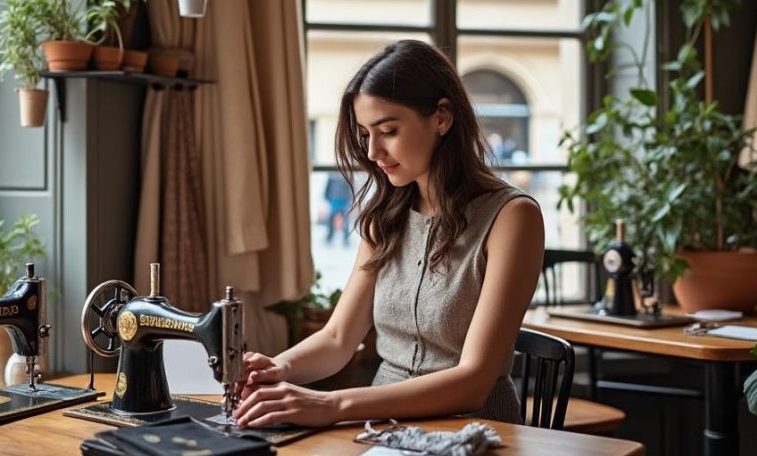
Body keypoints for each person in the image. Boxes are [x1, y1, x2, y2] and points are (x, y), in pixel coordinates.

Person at [233, 40, 544, 428]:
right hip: (380, 429)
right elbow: (337, 339)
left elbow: (474, 381)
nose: (374, 151)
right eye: (365, 134)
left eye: (389, 131)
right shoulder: (386, 215)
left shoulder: (512, 217)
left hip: (476, 433)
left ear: (442, 117)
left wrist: (332, 405)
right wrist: (278, 368)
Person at [323, 171, 353, 245]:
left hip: (343, 201)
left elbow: (349, 189)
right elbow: (327, 188)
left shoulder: (346, 177)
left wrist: (349, 199)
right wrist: (327, 197)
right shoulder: (331, 177)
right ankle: (330, 237)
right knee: (331, 219)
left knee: (345, 220)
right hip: (334, 200)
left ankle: (346, 238)